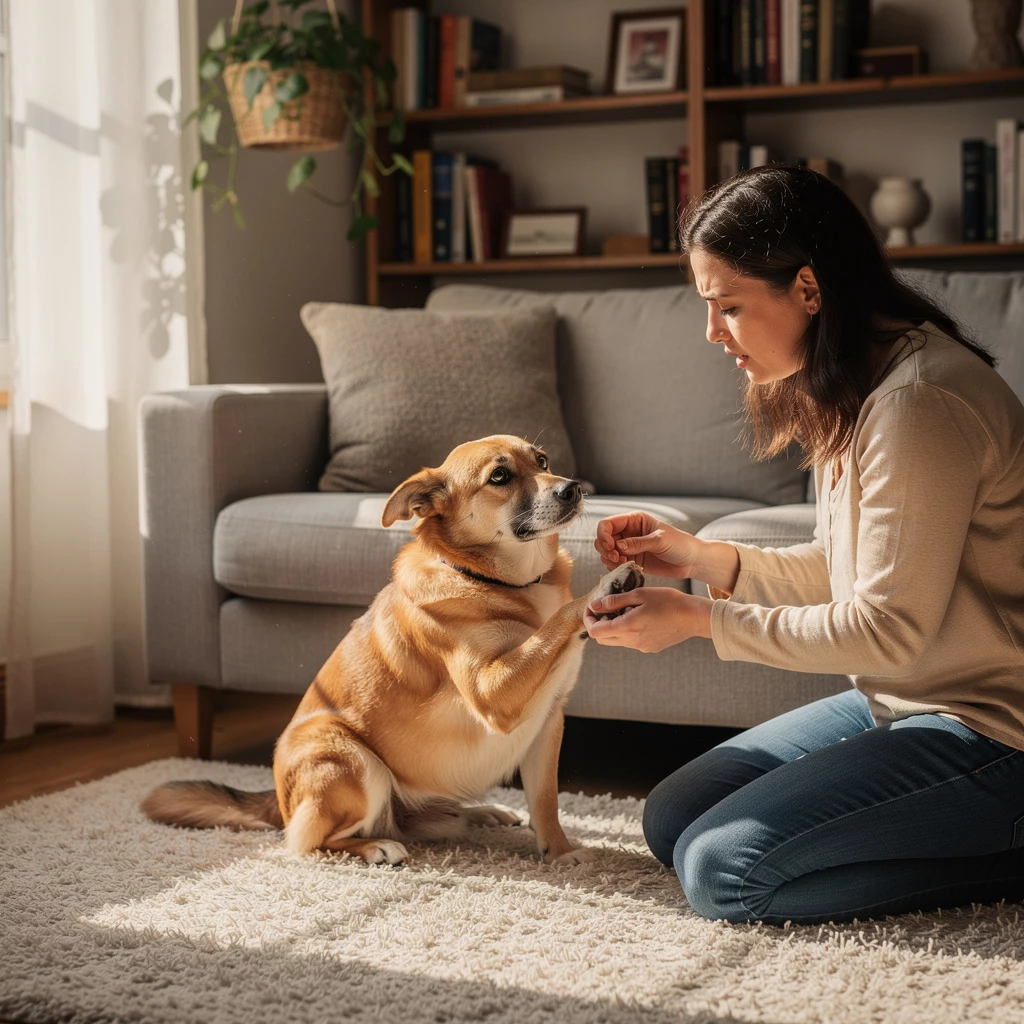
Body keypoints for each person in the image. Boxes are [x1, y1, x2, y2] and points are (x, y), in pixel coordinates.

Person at [583, 164, 1024, 927]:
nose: (713, 333)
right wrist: (701, 560)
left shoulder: (919, 404)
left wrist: (698, 622)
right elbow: (845, 570)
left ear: (809, 290)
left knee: (725, 873)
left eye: (728, 306)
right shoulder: (858, 384)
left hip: (993, 726)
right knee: (672, 818)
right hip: (906, 702)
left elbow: (886, 627)